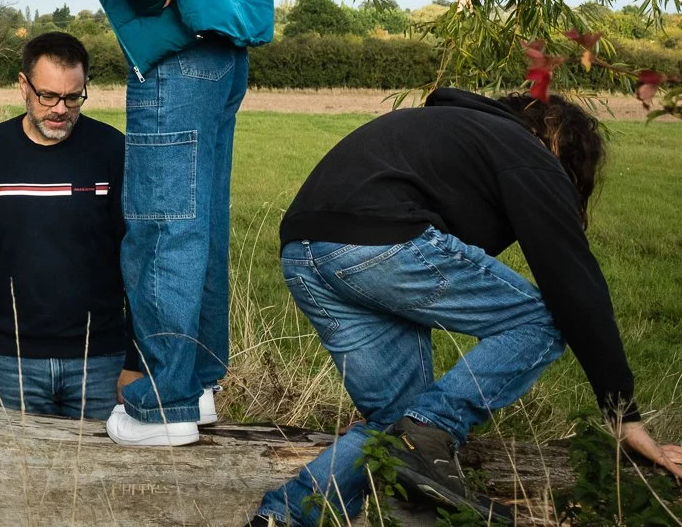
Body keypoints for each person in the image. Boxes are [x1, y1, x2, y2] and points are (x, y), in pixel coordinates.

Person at [252, 88, 682, 526]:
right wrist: (623, 415)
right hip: (381, 243)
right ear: (563, 146)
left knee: (394, 426)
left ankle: (284, 517)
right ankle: (430, 427)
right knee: (541, 320)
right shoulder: (525, 151)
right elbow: (575, 286)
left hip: (304, 253)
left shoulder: (453, 130)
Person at [34, 0, 274, 447]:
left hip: (176, 59)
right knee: (198, 225)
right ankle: (192, 384)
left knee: (160, 227)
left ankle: (164, 403)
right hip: (222, 55)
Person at [0, 31, 135, 419]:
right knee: (20, 474)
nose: (60, 109)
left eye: (73, 97)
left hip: (99, 359)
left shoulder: (112, 150)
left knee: (99, 474)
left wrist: (134, 357)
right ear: (23, 85)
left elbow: (137, 257)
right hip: (15, 360)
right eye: (47, 95)